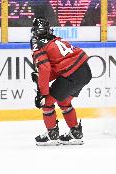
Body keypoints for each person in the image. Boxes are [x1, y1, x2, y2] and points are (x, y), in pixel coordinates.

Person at [30, 17, 92, 146]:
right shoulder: (55, 39)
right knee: (64, 100)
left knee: (47, 102)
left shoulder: (37, 43)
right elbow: (61, 66)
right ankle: (75, 133)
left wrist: (42, 93)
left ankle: (52, 135)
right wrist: (45, 79)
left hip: (72, 74)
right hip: (85, 72)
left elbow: (45, 69)